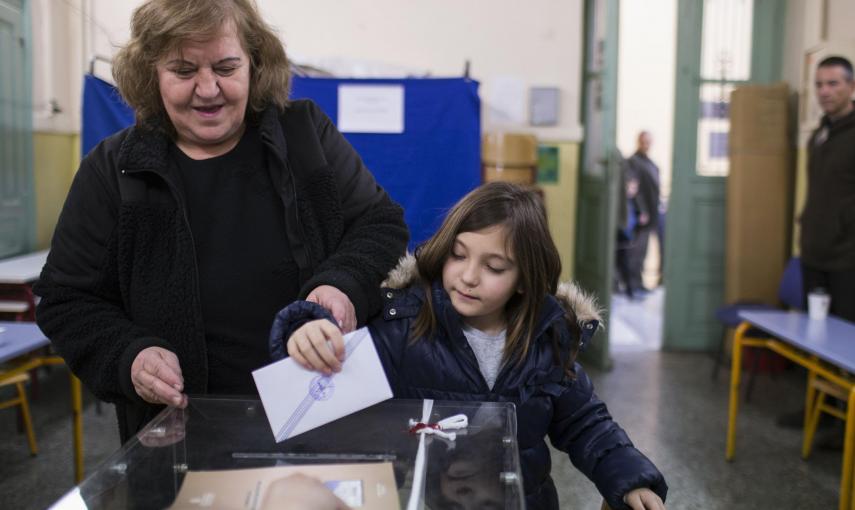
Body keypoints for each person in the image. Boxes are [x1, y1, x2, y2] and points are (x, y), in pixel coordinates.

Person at [34, 0, 408, 443]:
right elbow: (66, 300)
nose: (208, 89)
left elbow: (380, 223)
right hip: (181, 433)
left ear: (255, 64)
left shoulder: (304, 135)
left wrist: (342, 283)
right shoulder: (114, 169)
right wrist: (129, 356)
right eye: (183, 70)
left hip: (321, 412)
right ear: (152, 74)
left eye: (226, 68)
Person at [273, 182, 668, 510]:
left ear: (525, 280)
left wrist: (630, 479)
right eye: (458, 255)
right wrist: (308, 332)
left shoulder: (548, 343)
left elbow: (587, 425)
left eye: (494, 267)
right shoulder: (402, 328)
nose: (468, 276)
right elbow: (315, 396)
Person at [799, 55, 855, 324]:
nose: (824, 91)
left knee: (844, 346)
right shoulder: (819, 135)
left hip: (847, 261)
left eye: (833, 84)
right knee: (815, 339)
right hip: (814, 255)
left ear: (852, 87)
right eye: (819, 85)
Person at [625, 131, 663, 293]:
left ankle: (638, 283)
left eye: (648, 142)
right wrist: (641, 210)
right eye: (643, 142)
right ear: (638, 142)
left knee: (643, 252)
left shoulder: (651, 163)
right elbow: (634, 189)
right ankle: (632, 285)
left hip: (652, 214)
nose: (646, 145)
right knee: (635, 252)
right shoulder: (633, 162)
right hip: (641, 215)